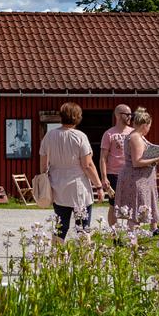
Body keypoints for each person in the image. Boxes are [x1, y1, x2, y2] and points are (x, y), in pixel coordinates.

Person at [38, 102, 100, 242]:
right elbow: (88, 165)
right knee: (83, 227)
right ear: (77, 117)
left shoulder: (49, 136)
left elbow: (43, 165)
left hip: (57, 186)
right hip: (78, 187)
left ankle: (57, 257)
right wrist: (99, 185)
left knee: (60, 226)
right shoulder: (80, 136)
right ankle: (85, 259)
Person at [117, 107, 159, 234]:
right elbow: (137, 162)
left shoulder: (139, 136)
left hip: (142, 179)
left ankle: (153, 229)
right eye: (149, 126)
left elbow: (147, 153)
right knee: (135, 210)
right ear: (144, 125)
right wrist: (157, 158)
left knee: (142, 206)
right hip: (135, 179)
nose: (149, 129)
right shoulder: (135, 138)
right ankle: (132, 241)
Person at [99, 104, 134, 226]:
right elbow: (103, 157)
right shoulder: (109, 134)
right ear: (118, 115)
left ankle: (131, 235)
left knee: (132, 204)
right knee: (114, 205)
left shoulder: (133, 132)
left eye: (131, 114)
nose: (130, 117)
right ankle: (114, 235)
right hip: (114, 174)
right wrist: (104, 178)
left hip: (131, 173)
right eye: (127, 114)